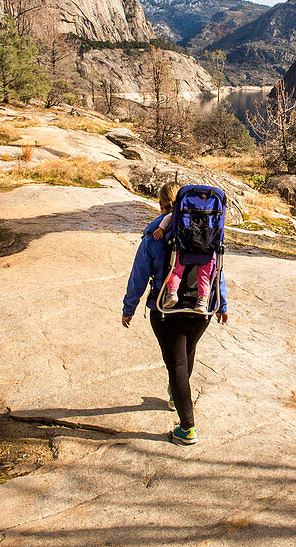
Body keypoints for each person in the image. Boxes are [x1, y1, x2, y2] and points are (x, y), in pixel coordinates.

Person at [122, 182, 228, 445]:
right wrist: (222, 305)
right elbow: (217, 270)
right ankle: (175, 395)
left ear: (161, 204)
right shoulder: (207, 229)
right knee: (187, 352)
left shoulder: (155, 233)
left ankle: (187, 428)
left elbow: (139, 274)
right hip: (201, 310)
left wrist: (129, 308)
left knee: (177, 365)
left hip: (166, 310)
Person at [152, 211, 216, 312]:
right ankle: (202, 302)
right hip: (207, 248)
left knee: (177, 271)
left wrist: (161, 228)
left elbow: (170, 216)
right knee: (204, 277)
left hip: (186, 247)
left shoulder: (187, 202)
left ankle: (172, 293)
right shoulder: (213, 207)